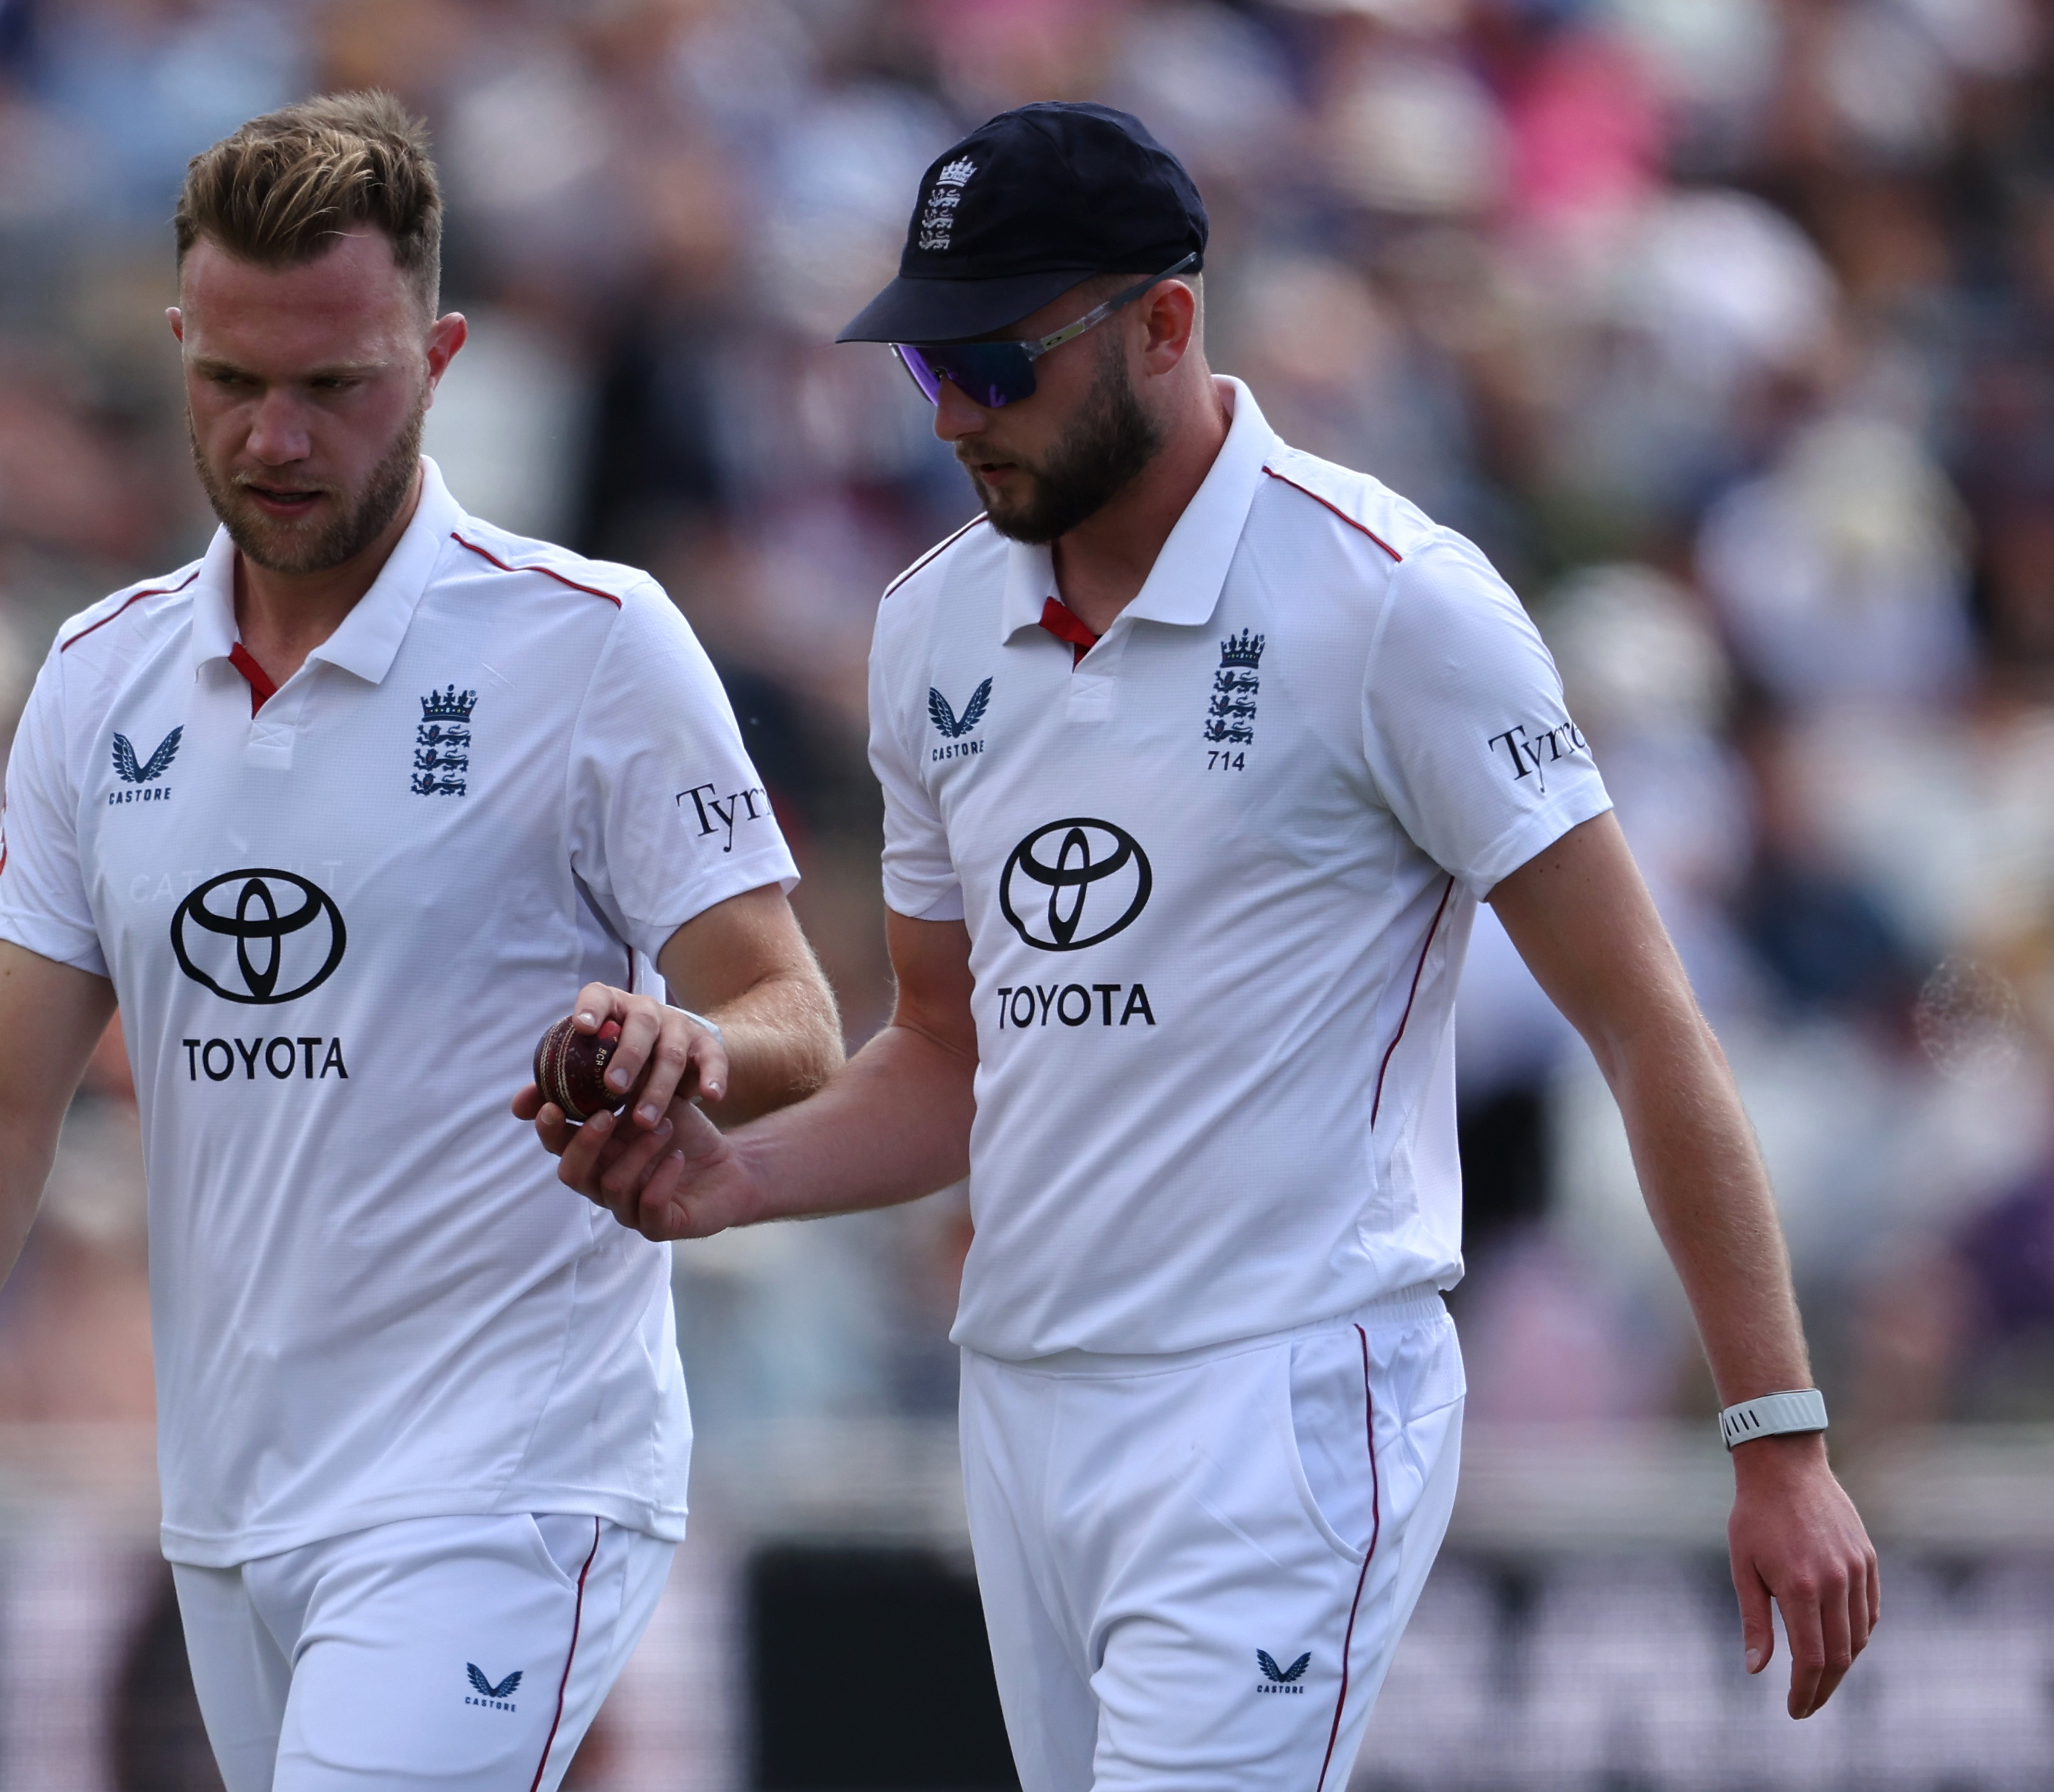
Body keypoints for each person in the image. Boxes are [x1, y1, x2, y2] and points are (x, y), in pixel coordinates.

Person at [535, 103, 1878, 1791]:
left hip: (1286, 1399)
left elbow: (1645, 1022)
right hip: (1025, 1398)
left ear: (1164, 323)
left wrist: (1777, 1433)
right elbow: (949, 1055)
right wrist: (739, 1179)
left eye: (995, 363)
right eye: (926, 366)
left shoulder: (1396, 602)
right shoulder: (933, 626)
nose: (951, 415)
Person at [0, 92, 842, 1792]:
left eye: (335, 386)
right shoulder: (101, 678)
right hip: (231, 1504)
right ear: (177, 350)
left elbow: (795, 1014)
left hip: (509, 1483)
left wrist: (693, 1051)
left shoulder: (593, 646)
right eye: (233, 381)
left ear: (437, 359)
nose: (276, 436)